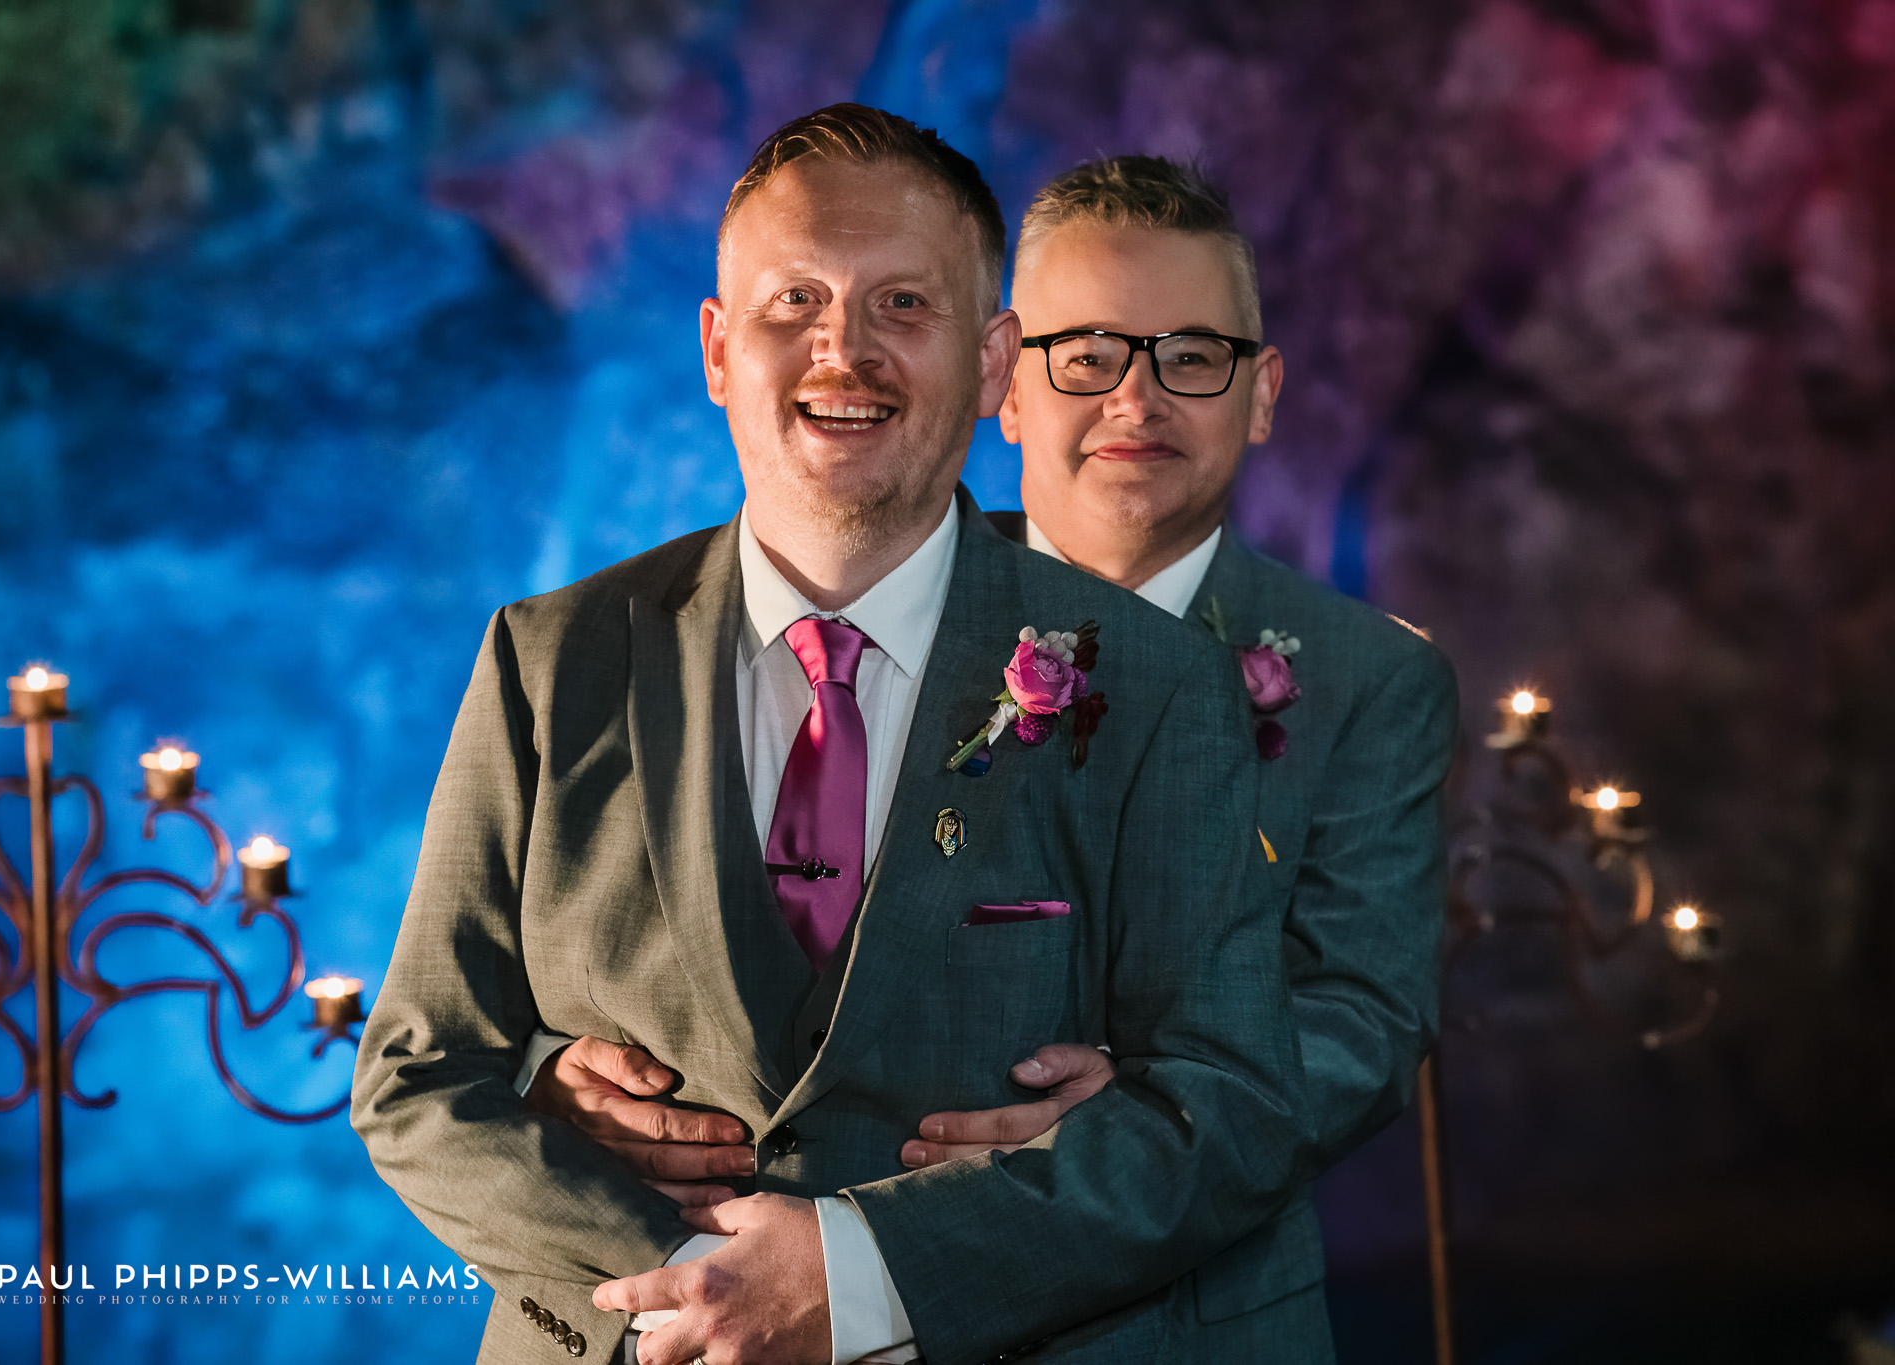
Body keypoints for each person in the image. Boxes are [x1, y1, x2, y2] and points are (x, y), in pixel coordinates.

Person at [351, 108, 1304, 1365]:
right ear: (714, 347)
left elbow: (1229, 1109)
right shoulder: (548, 661)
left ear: (992, 363)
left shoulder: (1161, 686)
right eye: (792, 298)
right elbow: (417, 1075)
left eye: (902, 305)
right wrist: (695, 1284)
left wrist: (861, 1284)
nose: (839, 351)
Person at [523, 155, 1459, 1360]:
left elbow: (1361, 1015)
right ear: (1000, 382)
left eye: (1190, 357)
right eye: (1086, 356)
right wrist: (562, 1069)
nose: (1135, 402)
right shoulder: (851, 610)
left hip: (1178, 1309)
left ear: (1262, 392)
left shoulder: (1372, 678)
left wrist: (1147, 1106)